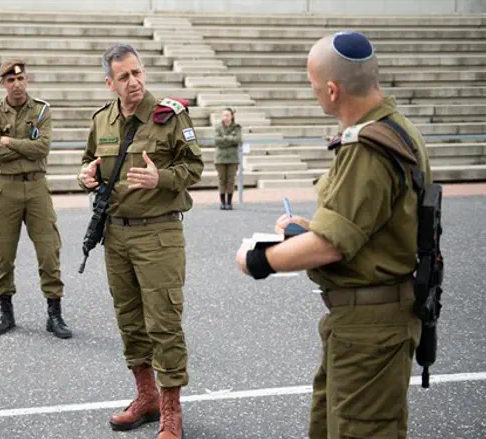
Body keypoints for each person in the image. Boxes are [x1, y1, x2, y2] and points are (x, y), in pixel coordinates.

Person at [235, 32, 431, 439]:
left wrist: (258, 260)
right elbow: (369, 224)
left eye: (312, 86)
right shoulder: (396, 129)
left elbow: (328, 246)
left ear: (332, 89)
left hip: (370, 329)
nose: (314, 94)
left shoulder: (367, 147)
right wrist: (309, 229)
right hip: (365, 323)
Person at [78, 44, 203, 439]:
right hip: (116, 235)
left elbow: (195, 166)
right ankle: (145, 397)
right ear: (110, 83)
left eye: (137, 73)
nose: (133, 82)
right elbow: (90, 165)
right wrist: (86, 177)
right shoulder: (102, 121)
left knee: (163, 322)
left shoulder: (170, 116)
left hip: (159, 233)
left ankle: (171, 413)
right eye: (124, 77)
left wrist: (161, 178)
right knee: (130, 321)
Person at [0, 58, 71, 339]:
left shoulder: (42, 110)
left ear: (27, 80)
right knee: (4, 256)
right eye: (10, 80)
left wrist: (10, 142)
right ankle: (5, 312)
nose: (17, 85)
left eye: (21, 79)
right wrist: (26, 148)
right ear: (3, 83)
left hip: (36, 189)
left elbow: (43, 148)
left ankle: (54, 314)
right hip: (4, 189)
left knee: (48, 251)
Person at [213, 108, 241, 210]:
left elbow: (238, 139)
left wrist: (224, 138)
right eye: (224, 115)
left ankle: (229, 202)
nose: (226, 117)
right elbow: (217, 141)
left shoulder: (237, 127)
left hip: (232, 158)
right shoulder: (218, 127)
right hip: (220, 158)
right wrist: (230, 140)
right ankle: (222, 202)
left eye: (227, 115)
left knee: (231, 181)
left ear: (232, 116)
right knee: (221, 180)